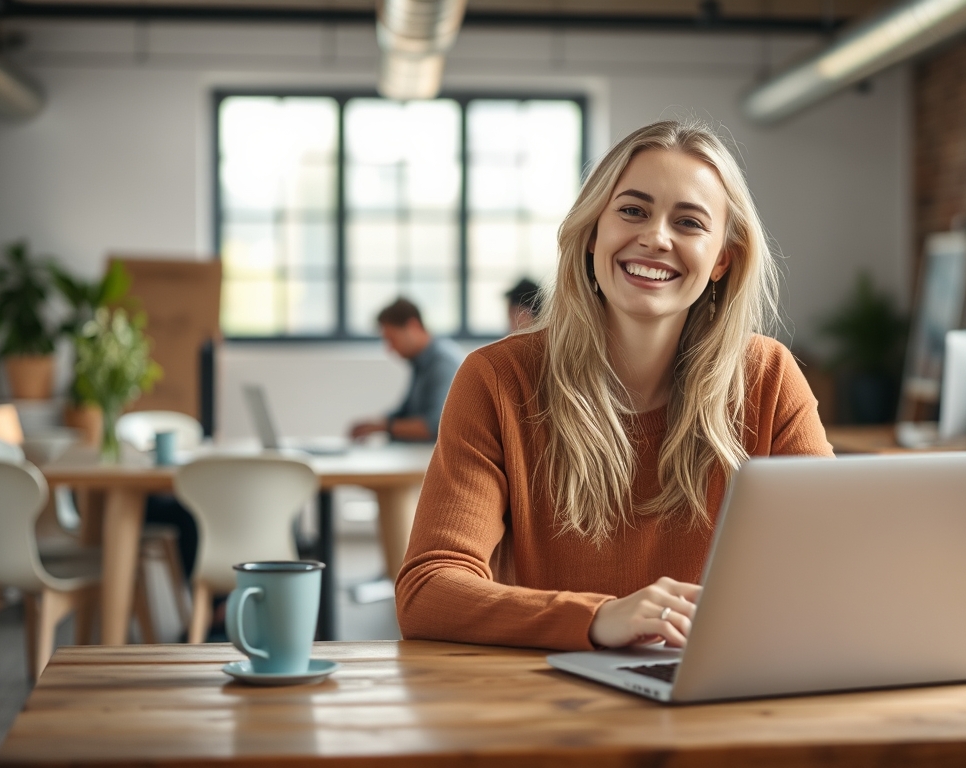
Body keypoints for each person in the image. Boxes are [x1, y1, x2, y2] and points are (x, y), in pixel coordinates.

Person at [394, 120, 833, 651]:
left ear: (722, 260)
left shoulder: (768, 377)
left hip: (715, 693)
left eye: (689, 222)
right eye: (632, 210)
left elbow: (829, 574)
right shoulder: (497, 380)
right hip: (549, 702)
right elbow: (428, 590)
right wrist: (598, 618)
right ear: (592, 232)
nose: (655, 237)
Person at [349, 298, 464, 443]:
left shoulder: (442, 363)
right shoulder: (420, 361)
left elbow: (436, 426)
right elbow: (407, 412)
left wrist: (385, 426)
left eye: (392, 339)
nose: (390, 348)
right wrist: (375, 424)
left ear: (413, 326)